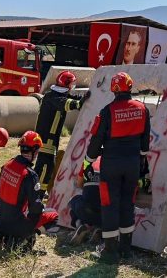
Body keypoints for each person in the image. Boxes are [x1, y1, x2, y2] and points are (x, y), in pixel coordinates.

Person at [85, 72, 151, 263]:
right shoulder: (142, 109)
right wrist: (141, 160)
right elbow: (145, 142)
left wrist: (89, 159)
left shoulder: (107, 111)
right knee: (127, 203)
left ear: (113, 89)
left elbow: (96, 140)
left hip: (111, 165)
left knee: (109, 205)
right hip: (132, 165)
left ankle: (110, 252)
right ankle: (126, 249)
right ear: (130, 87)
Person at [0, 130, 59, 251]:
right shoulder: (29, 175)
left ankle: (13, 236)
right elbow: (35, 208)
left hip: (1, 222)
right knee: (54, 216)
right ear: (34, 150)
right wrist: (42, 209)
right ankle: (26, 239)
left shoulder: (7, 164)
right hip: (16, 225)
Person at [33, 70, 83, 186]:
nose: (73, 86)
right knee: (45, 169)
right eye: (72, 84)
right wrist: (79, 104)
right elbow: (67, 104)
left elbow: (71, 97)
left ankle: (39, 191)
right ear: (66, 84)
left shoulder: (55, 94)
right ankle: (37, 195)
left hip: (49, 140)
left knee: (46, 168)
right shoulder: (53, 98)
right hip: (46, 141)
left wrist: (84, 97)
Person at [68, 156, 103, 244]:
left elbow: (80, 184)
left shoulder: (87, 162)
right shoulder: (115, 162)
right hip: (105, 213)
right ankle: (99, 230)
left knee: (73, 201)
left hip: (86, 209)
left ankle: (82, 226)